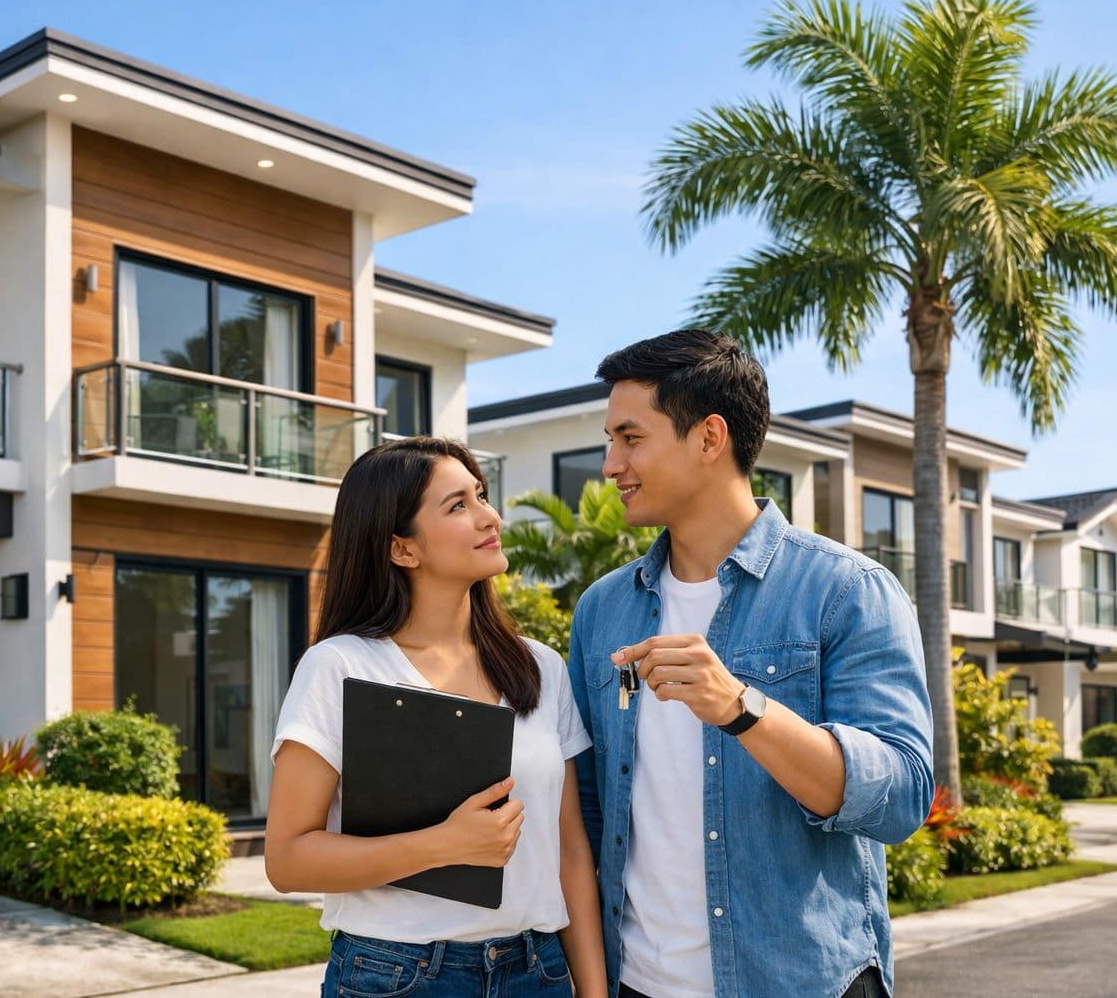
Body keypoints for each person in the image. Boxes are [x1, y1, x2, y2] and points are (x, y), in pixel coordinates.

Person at [567, 330, 934, 998]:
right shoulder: (602, 611)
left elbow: (903, 796)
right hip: (639, 984)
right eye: (610, 441)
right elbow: (590, 810)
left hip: (801, 982)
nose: (610, 464)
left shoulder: (846, 591)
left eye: (630, 438)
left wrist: (742, 708)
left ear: (709, 438)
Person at [265, 436, 607, 998]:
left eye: (481, 496)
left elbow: (570, 853)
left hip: (536, 970)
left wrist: (593, 992)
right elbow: (287, 859)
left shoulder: (540, 667)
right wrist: (444, 845)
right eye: (458, 506)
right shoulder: (342, 666)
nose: (489, 517)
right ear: (403, 549)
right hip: (396, 975)